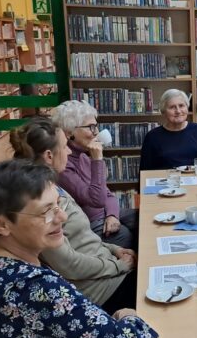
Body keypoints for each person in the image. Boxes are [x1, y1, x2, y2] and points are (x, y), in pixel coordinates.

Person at [0, 160, 158, 338]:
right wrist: (127, 315)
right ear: (1, 224)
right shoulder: (38, 287)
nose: (62, 217)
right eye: (46, 211)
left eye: (58, 205)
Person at [10, 117, 137, 314]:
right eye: (64, 146)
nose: (69, 151)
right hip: (102, 290)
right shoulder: (41, 203)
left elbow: (83, 238)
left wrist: (114, 249)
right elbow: (68, 264)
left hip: (108, 271)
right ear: (49, 156)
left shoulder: (53, 187)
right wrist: (118, 265)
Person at [51, 100, 136, 249]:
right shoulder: (63, 164)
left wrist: (112, 215)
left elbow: (108, 194)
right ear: (69, 132)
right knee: (129, 238)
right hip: (91, 223)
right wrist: (97, 160)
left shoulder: (83, 156)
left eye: (96, 126)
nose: (96, 132)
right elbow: (97, 200)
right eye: (91, 127)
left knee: (145, 218)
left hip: (106, 213)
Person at [139, 89, 197, 170]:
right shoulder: (152, 137)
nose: (178, 111)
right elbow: (145, 171)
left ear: (187, 107)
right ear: (163, 112)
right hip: (170, 179)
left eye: (181, 106)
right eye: (172, 107)